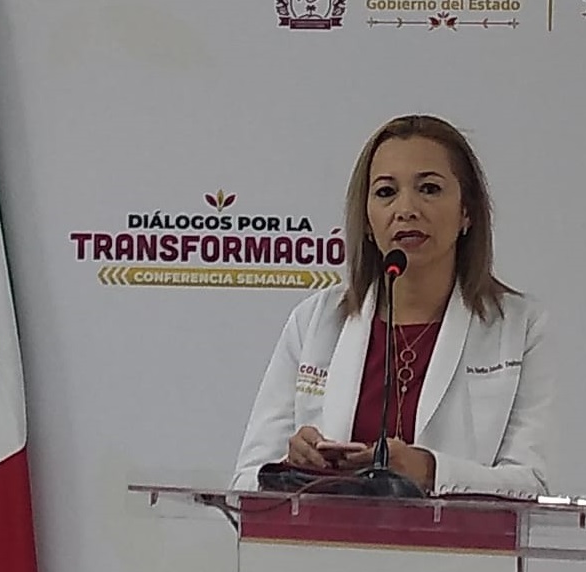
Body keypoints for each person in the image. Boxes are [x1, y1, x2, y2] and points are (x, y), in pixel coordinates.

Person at [231, 114, 555, 496]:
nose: (406, 209)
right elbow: (246, 481)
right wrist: (291, 469)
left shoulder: (520, 326)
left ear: (466, 211)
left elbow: (531, 485)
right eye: (386, 192)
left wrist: (430, 471)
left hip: (458, 539)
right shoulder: (315, 321)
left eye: (429, 189)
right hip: (328, 536)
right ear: (368, 221)